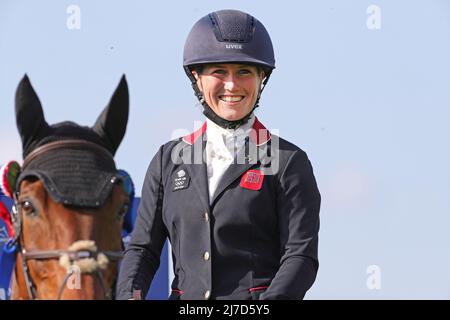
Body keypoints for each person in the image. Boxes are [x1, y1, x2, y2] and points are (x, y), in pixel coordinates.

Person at [116, 9, 321, 300]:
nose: (232, 85)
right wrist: (128, 295)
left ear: (261, 78)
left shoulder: (288, 162)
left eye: (244, 72)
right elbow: (143, 249)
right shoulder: (167, 160)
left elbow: (300, 256)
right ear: (197, 78)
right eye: (219, 72)